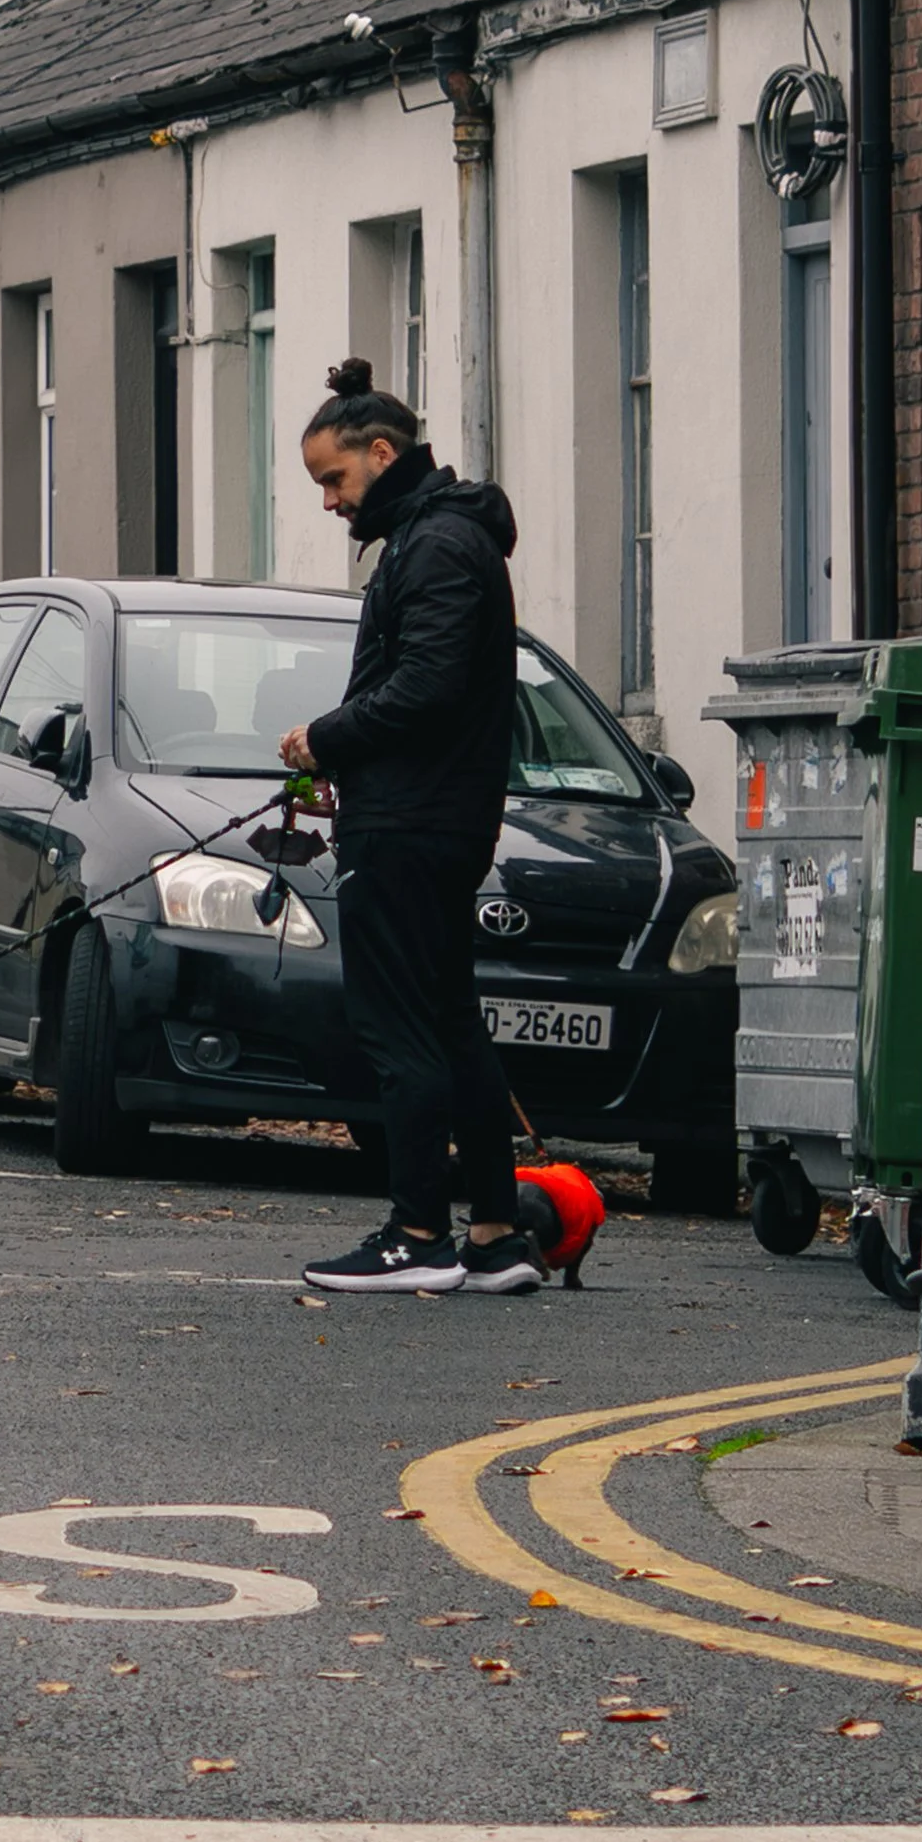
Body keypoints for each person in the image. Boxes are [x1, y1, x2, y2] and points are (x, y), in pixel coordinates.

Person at [278, 357, 543, 1297]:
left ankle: (419, 1231)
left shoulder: (434, 548)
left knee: (400, 1030)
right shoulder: (448, 539)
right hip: (441, 814)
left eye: (333, 480)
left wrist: (325, 738)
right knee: (449, 1023)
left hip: (411, 822)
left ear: (381, 453)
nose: (329, 503)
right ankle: (499, 1233)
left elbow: (425, 688)